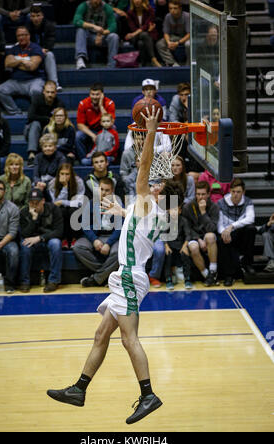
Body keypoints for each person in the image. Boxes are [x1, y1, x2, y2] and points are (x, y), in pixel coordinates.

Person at [47, 105, 181, 425]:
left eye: (155, 182)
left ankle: (148, 395)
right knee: (101, 335)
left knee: (128, 339)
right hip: (126, 277)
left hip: (131, 279)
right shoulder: (147, 209)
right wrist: (121, 212)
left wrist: (150, 132)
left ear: (160, 190)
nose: (149, 181)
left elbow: (146, 165)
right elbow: (138, 217)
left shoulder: (150, 202)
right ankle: (79, 389)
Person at [73, 177, 121, 286]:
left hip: (112, 237)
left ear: (112, 191)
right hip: (95, 236)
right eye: (101, 189)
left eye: (107, 190)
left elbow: (120, 228)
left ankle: (96, 279)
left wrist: (108, 243)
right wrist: (94, 240)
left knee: (119, 253)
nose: (103, 193)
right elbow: (84, 225)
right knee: (78, 247)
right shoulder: (90, 203)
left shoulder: (118, 204)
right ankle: (105, 276)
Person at [18, 187, 63, 293]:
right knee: (24, 245)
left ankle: (53, 281)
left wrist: (40, 238)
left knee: (56, 244)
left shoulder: (53, 209)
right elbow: (24, 234)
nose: (34, 205)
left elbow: (59, 231)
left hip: (48, 239)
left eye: (37, 202)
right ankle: (24, 281)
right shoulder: (24, 212)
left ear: (43, 201)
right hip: (31, 241)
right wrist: (33, 219)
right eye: (31, 202)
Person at [0, 25, 45, 116]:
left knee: (36, 91)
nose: (21, 37)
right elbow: (7, 64)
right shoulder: (13, 49)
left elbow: (32, 66)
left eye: (24, 35)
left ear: (28, 35)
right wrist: (22, 61)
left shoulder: (35, 48)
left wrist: (16, 61)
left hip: (34, 80)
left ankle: (35, 112)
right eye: (19, 35)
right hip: (16, 81)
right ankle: (15, 112)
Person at [217, 178, 256, 287]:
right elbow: (219, 224)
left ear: (243, 192)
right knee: (221, 240)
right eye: (233, 191)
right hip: (227, 234)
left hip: (240, 233)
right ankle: (228, 275)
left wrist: (232, 226)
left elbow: (250, 219)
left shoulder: (247, 201)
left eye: (238, 192)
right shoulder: (221, 202)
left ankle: (247, 264)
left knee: (251, 229)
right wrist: (224, 232)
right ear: (230, 191)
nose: (235, 194)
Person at [182, 180, 219, 287]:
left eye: (203, 194)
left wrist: (203, 213)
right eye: (198, 194)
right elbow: (187, 228)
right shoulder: (187, 207)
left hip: (207, 235)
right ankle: (207, 276)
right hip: (193, 236)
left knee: (210, 236)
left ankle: (212, 271)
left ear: (208, 194)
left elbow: (212, 228)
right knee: (194, 247)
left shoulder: (214, 207)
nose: (200, 197)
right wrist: (198, 239)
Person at [24, 80, 65, 167]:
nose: (50, 95)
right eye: (47, 92)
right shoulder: (37, 99)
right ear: (43, 91)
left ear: (56, 93)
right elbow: (30, 116)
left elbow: (62, 120)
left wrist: (50, 122)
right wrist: (48, 119)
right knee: (35, 123)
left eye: (52, 92)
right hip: (33, 131)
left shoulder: (59, 104)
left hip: (50, 131)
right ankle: (31, 156)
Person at [162, 183, 193, 290]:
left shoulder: (183, 220)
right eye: (172, 209)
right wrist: (166, 246)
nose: (174, 212)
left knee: (185, 256)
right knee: (168, 256)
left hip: (180, 244)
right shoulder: (167, 220)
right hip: (170, 244)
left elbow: (188, 234)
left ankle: (187, 279)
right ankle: (168, 280)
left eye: (176, 209)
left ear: (180, 210)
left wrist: (185, 246)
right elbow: (163, 234)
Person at [73, 0, 119, 70]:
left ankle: (112, 65)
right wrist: (93, 26)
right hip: (88, 36)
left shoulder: (107, 8)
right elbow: (76, 21)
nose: (95, 1)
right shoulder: (83, 6)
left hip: (102, 36)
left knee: (114, 36)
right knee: (80, 30)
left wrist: (102, 33)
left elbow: (113, 26)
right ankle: (80, 59)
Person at [48, 162, 85, 249]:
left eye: (67, 174)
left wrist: (63, 202)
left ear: (71, 174)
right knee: (61, 211)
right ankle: (63, 239)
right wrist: (65, 186)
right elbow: (56, 203)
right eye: (62, 174)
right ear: (58, 174)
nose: (64, 176)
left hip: (75, 209)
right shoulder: (52, 183)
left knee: (73, 210)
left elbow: (79, 203)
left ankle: (74, 238)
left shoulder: (78, 182)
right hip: (61, 210)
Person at [75, 83, 116, 162]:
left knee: (113, 129)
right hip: (90, 130)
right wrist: (93, 135)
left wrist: (101, 105)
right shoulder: (83, 104)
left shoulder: (109, 103)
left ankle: (108, 158)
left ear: (102, 95)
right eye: (92, 94)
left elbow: (110, 121)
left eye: (97, 94)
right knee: (78, 136)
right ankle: (84, 160)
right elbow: (80, 125)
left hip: (105, 128)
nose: (94, 97)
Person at [28, 5, 62, 91]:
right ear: (30, 17)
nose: (36, 18)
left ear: (42, 16)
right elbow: (26, 43)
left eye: (38, 15)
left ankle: (54, 84)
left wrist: (42, 50)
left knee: (50, 55)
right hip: (31, 53)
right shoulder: (27, 27)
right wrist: (37, 50)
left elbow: (50, 42)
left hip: (44, 52)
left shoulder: (49, 25)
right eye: (33, 16)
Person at [124, 0, 161, 67]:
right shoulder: (130, 12)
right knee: (143, 35)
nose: (136, 1)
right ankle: (153, 59)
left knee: (141, 43)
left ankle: (143, 64)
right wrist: (136, 33)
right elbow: (133, 28)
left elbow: (147, 25)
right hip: (136, 37)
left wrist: (134, 34)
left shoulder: (149, 10)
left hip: (149, 35)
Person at [156, 0, 190, 67]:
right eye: (170, 8)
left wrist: (178, 43)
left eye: (175, 8)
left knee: (188, 44)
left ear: (180, 9)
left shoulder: (187, 16)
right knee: (159, 44)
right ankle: (173, 64)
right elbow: (166, 33)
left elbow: (189, 34)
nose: (172, 10)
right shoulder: (168, 16)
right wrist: (168, 42)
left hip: (185, 37)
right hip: (173, 37)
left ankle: (188, 65)